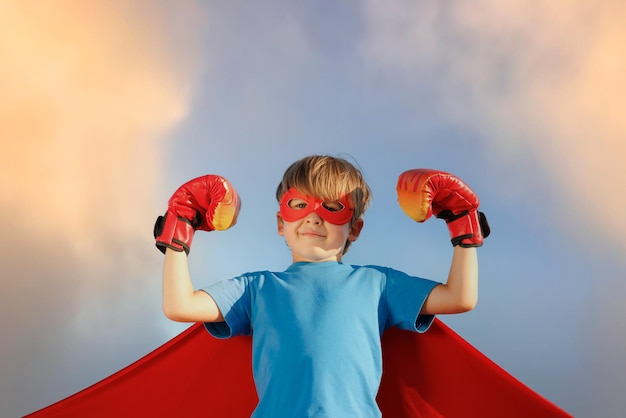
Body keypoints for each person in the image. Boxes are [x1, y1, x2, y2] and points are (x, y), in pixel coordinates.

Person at [154, 155, 489, 418]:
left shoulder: (378, 283)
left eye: (332, 208)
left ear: (355, 229)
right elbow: (179, 306)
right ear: (280, 223)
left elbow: (459, 298)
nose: (314, 218)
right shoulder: (256, 288)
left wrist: (464, 231)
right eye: (299, 205)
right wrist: (178, 233)